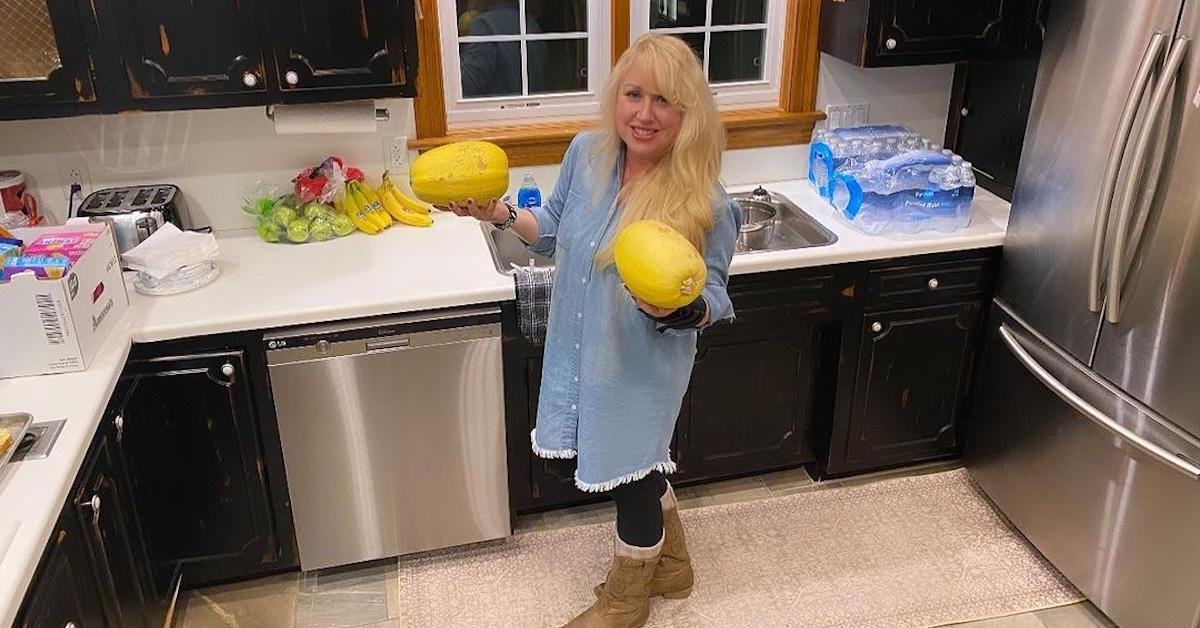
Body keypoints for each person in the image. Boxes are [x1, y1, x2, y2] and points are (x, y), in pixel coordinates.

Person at [448, 33, 739, 628]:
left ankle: (625, 601)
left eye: (664, 100)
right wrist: (498, 213)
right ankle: (674, 568)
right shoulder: (587, 153)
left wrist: (677, 311)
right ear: (615, 96)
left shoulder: (704, 198)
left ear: (689, 113)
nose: (644, 113)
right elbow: (552, 228)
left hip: (642, 363)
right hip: (583, 348)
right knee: (639, 464)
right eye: (633, 94)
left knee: (628, 477)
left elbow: (714, 296)